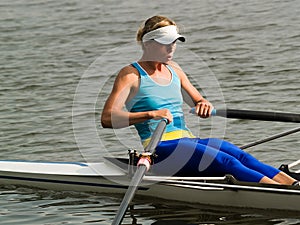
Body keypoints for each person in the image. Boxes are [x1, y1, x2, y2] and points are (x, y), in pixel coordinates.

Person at [101, 15, 299, 185]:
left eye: (174, 42)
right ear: (149, 44)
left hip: (187, 140)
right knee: (226, 162)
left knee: (239, 155)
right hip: (159, 149)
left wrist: (203, 105)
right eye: (166, 43)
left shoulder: (175, 70)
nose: (172, 48)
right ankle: (281, 193)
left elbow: (198, 101)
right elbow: (108, 118)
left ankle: (294, 185)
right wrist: (151, 114)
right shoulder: (131, 75)